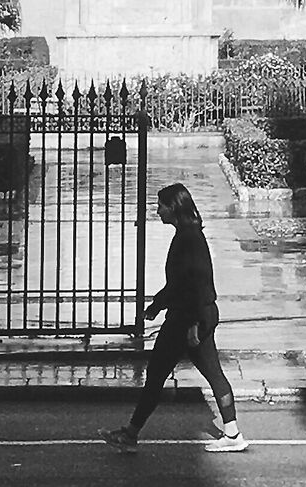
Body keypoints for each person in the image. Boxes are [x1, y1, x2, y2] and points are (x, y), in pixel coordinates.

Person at [105, 184, 247, 452]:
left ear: (173, 207)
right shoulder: (188, 234)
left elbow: (191, 282)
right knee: (212, 374)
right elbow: (182, 282)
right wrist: (158, 306)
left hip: (187, 318)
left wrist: (189, 322)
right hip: (197, 313)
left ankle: (130, 434)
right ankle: (232, 433)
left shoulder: (187, 239)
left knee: (157, 373)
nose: (157, 211)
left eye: (161, 206)